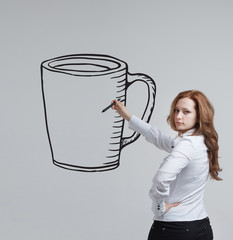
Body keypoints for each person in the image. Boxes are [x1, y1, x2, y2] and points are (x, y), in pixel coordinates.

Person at [111, 90, 222, 240]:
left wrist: (159, 206)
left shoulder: (187, 145)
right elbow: (159, 138)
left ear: (199, 115)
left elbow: (161, 178)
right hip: (200, 227)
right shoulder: (200, 141)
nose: (178, 116)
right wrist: (127, 115)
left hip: (175, 229)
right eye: (176, 110)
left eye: (186, 112)